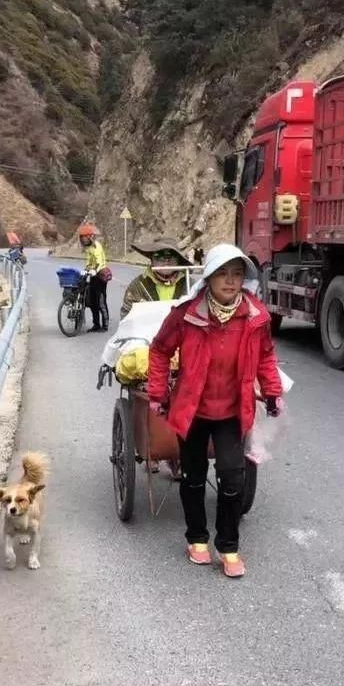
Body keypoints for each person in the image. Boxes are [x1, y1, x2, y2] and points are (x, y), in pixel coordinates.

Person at [147, 243, 283, 578]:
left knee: (233, 477)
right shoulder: (186, 314)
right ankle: (196, 538)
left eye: (237, 274)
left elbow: (266, 356)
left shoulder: (256, 316)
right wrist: (157, 390)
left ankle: (228, 546)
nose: (230, 281)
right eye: (222, 273)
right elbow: (160, 350)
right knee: (193, 477)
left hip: (233, 412)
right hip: (192, 411)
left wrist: (273, 391)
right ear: (208, 277)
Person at [120, 238, 192, 320]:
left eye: (171, 255)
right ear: (152, 259)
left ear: (178, 259)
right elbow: (126, 318)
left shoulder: (191, 285)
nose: (166, 261)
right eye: (159, 256)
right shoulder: (138, 285)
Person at [78, 221, 109, 332]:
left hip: (100, 275)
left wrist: (94, 270)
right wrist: (85, 270)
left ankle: (105, 325)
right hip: (93, 276)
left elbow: (99, 261)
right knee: (92, 302)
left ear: (90, 237)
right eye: (81, 238)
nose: (82, 240)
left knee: (101, 301)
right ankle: (96, 324)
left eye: (84, 238)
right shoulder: (88, 248)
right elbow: (88, 261)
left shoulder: (96, 246)